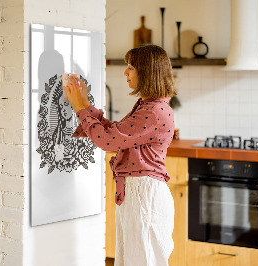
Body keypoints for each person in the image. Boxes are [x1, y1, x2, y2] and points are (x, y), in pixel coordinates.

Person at [64, 44, 176, 266]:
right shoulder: (149, 106)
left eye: (131, 67)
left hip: (144, 196)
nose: (125, 72)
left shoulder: (153, 111)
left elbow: (107, 141)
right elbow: (115, 133)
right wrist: (85, 104)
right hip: (139, 194)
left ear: (147, 72)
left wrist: (79, 108)